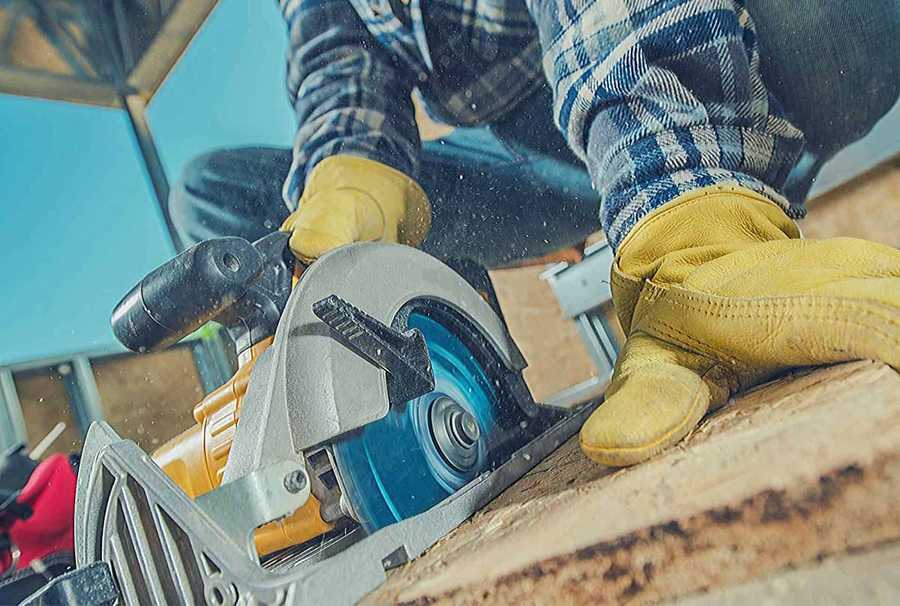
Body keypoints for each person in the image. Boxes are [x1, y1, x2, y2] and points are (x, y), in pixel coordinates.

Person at [170, 0, 900, 467]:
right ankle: (456, 395)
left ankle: (699, 222)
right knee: (215, 197)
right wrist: (348, 174)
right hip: (553, 149)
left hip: (736, 39)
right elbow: (339, 64)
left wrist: (682, 213)